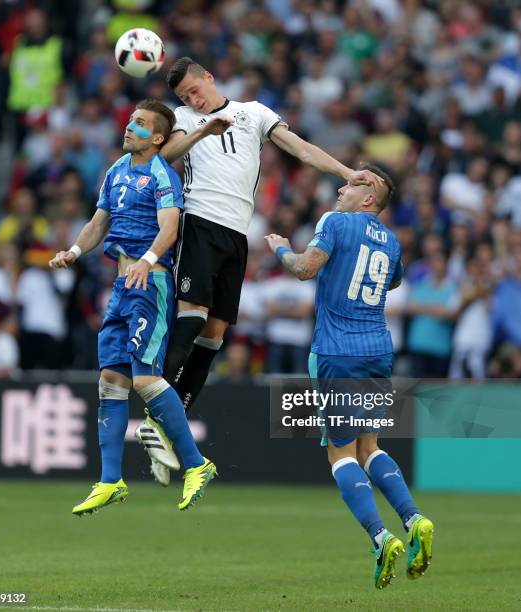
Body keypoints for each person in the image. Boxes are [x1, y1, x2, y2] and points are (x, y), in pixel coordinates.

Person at [136, 56, 383, 482]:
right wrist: (201, 129)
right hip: (199, 220)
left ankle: (161, 424)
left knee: (215, 333)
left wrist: (346, 171)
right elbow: (167, 154)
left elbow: (300, 148)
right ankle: (154, 408)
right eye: (184, 97)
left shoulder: (253, 113)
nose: (192, 99)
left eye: (195, 91)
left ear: (210, 77)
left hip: (237, 232)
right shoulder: (183, 119)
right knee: (192, 313)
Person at [265, 164, 434, 590]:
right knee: (371, 446)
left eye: (354, 183)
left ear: (369, 198)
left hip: (337, 352)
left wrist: (282, 249)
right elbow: (391, 282)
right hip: (377, 348)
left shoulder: (335, 222)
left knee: (341, 455)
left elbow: (306, 269)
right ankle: (413, 518)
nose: (342, 187)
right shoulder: (393, 240)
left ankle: (381, 538)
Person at [49, 99, 218, 514]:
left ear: (159, 138)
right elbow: (98, 223)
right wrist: (73, 250)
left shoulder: (162, 175)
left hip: (151, 281)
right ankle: (110, 480)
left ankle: (197, 464)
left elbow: (170, 227)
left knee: (144, 379)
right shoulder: (116, 170)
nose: (130, 128)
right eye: (130, 121)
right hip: (122, 284)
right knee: (110, 379)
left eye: (140, 124)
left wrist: (145, 262)